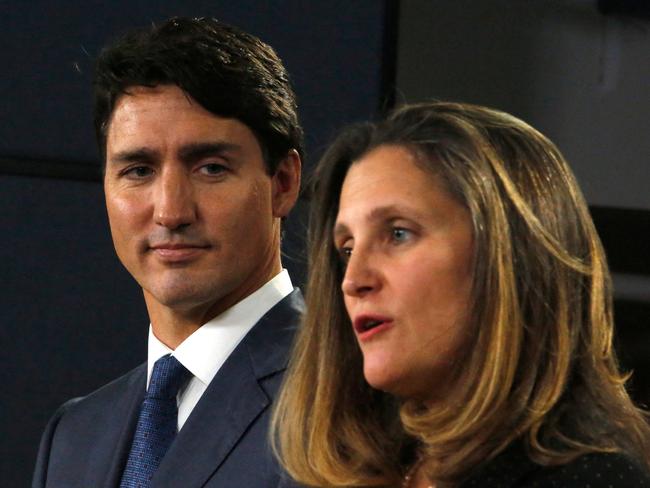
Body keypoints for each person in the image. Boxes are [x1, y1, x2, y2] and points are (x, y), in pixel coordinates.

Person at [272, 101, 650, 487]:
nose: (353, 280)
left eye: (398, 233)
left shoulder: (590, 480)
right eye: (348, 250)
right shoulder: (360, 471)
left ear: (509, 256)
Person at [33, 17, 303, 487]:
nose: (171, 211)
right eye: (138, 170)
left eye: (211, 168)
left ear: (283, 183)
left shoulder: (350, 397)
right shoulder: (73, 436)